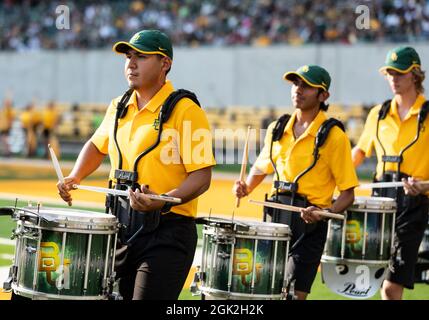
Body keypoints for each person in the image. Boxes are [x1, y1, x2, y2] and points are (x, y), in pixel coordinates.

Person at [57, 29, 216, 300]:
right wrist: (75, 176)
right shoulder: (118, 105)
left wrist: (164, 200)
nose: (131, 63)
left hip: (167, 232)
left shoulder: (187, 110)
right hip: (120, 227)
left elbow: (202, 177)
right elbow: (97, 146)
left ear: (165, 64)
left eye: (141, 56)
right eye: (128, 56)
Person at [233, 65, 358, 300]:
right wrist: (246, 187)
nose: (298, 90)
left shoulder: (335, 136)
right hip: (273, 222)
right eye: (295, 84)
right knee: (264, 293)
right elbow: (261, 167)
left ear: (323, 96)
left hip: (309, 227)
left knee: (293, 296)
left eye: (306, 86)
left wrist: (325, 213)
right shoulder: (277, 128)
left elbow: (347, 195)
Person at [352, 46, 429, 300]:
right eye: (389, 73)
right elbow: (359, 153)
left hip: (414, 205)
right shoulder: (378, 113)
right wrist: (337, 180)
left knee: (392, 284)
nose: (393, 78)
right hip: (379, 204)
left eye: (399, 73)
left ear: (415, 75)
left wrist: (425, 186)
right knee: (377, 279)